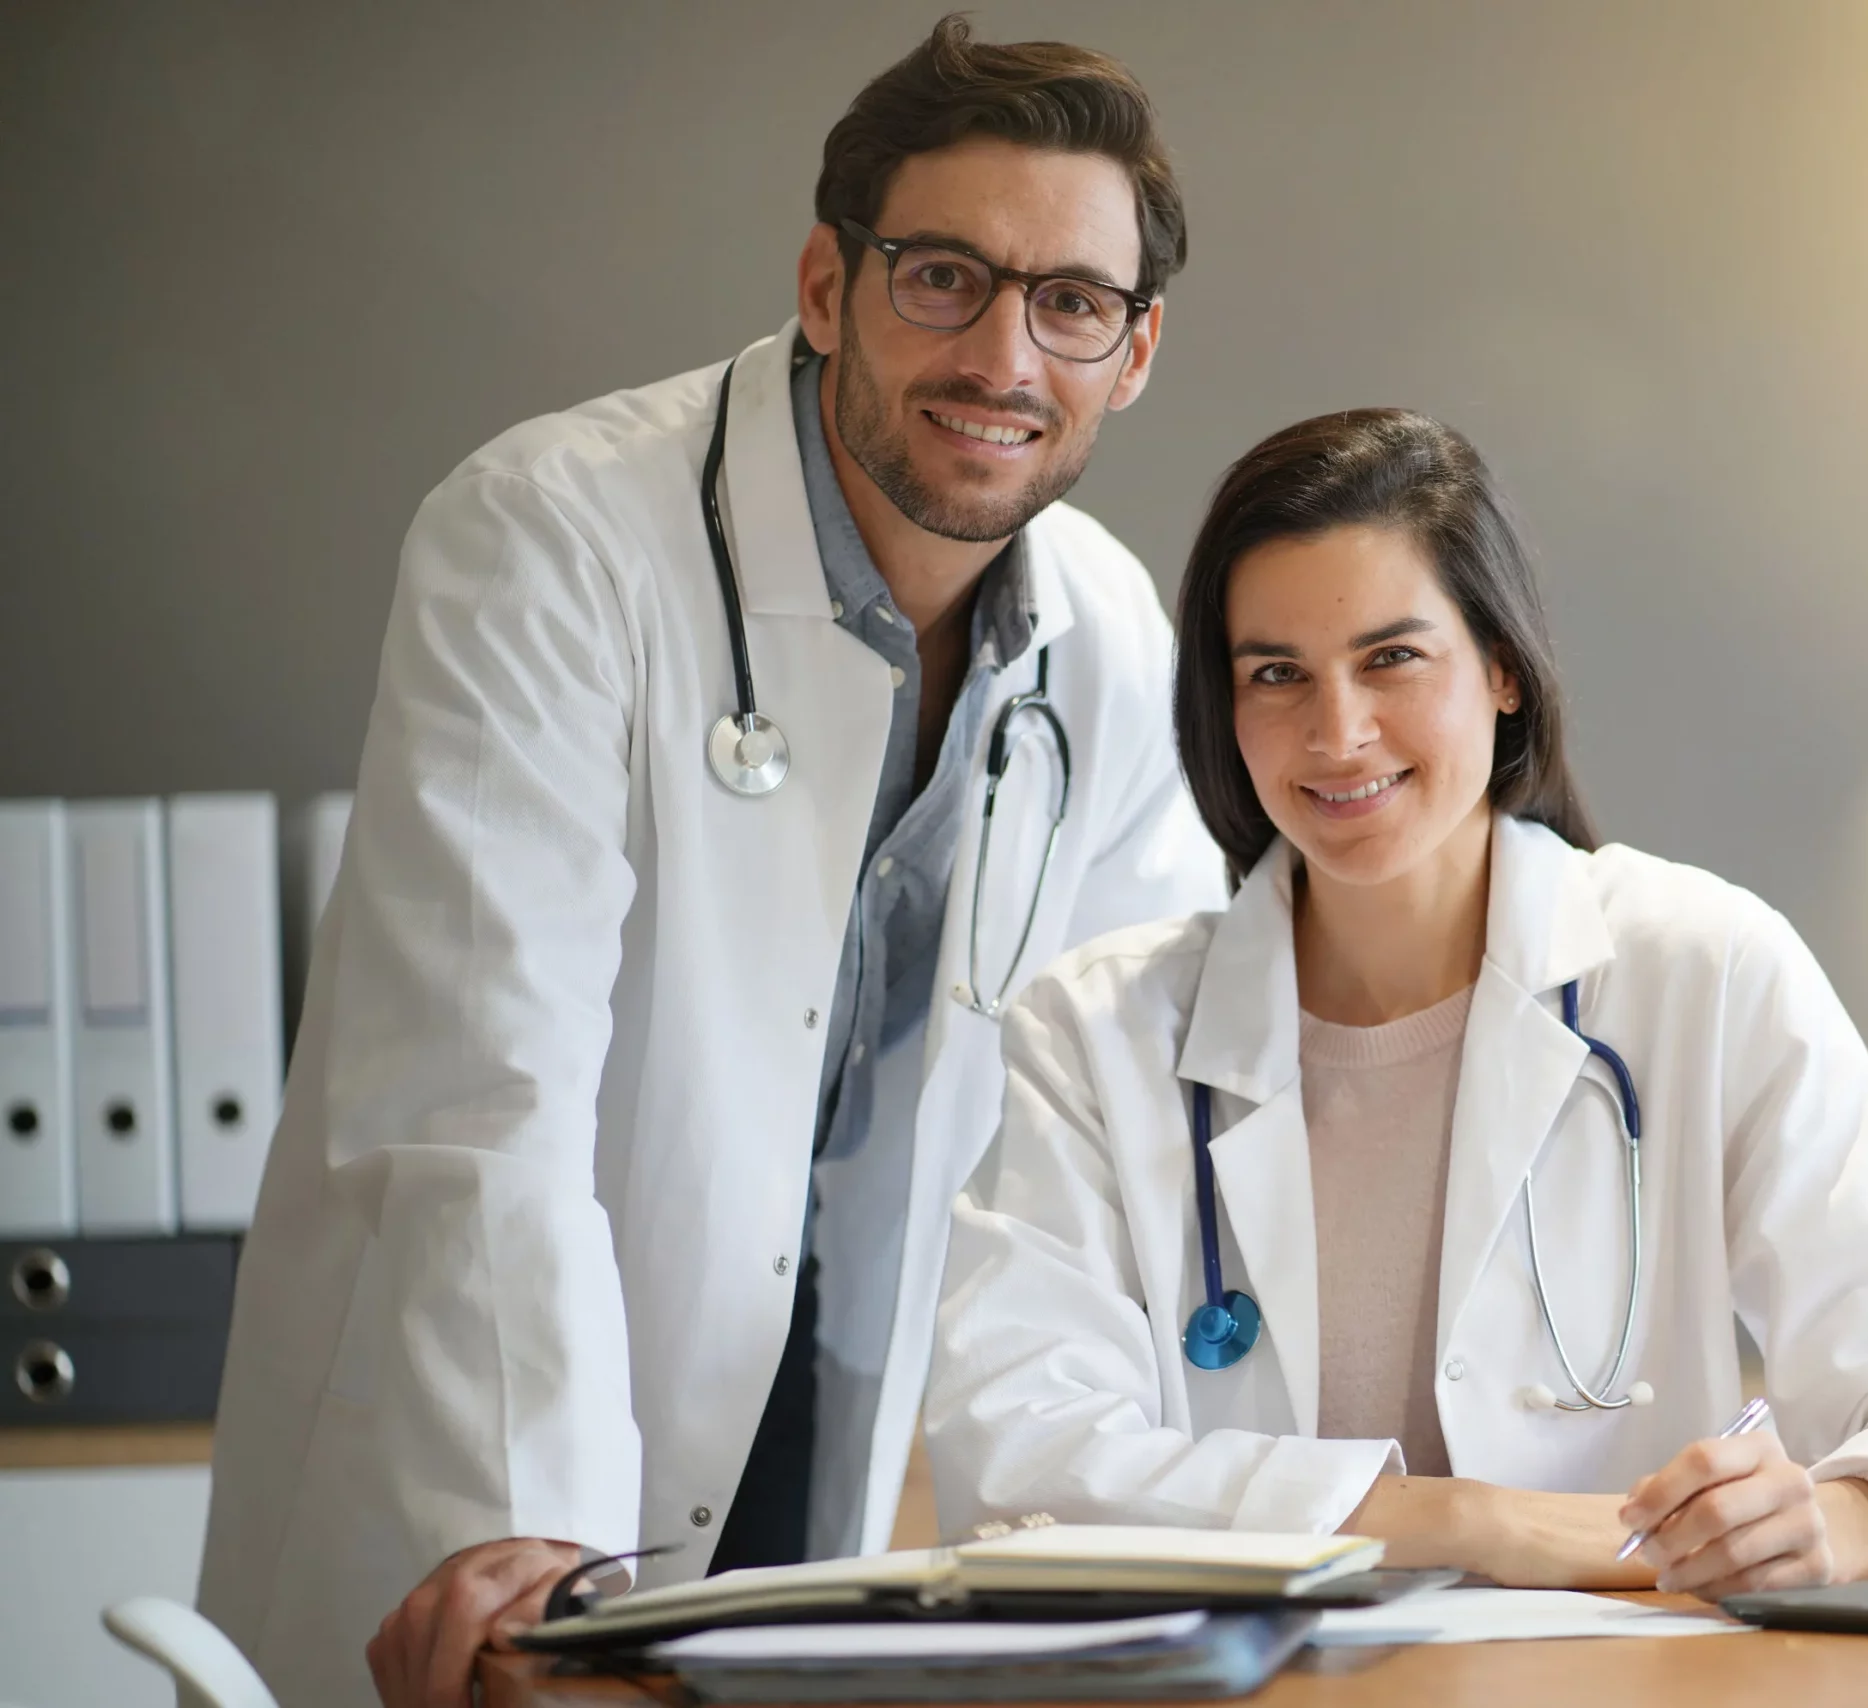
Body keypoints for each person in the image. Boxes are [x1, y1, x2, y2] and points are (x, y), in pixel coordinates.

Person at [198, 19, 1226, 1707]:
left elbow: (1124, 1119)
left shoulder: (1103, 633)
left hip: (839, 1525)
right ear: (827, 284)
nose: (1005, 355)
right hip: (517, 1494)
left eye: (1070, 305)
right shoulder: (549, 540)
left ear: (1135, 350)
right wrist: (537, 1542)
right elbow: (479, 1094)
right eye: (943, 276)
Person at [927, 409, 1868, 1592]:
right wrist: (1477, 1524)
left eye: (1392, 658)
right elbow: (1016, 1462)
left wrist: (1838, 1521)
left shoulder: (1701, 972)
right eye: (1276, 674)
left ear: (1504, 670)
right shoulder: (1097, 1034)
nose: (1337, 732)